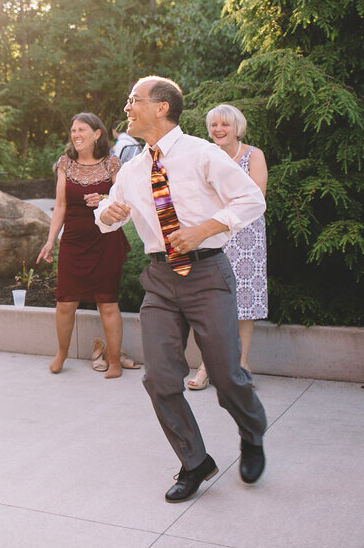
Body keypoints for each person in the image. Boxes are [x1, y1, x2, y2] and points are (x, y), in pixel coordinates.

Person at [96, 76, 267, 503]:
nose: (127, 108)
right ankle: (195, 461)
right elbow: (107, 214)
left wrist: (204, 229)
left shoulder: (201, 153)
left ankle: (251, 433)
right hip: (159, 280)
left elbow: (251, 200)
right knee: (160, 379)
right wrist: (107, 210)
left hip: (208, 273)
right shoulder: (134, 167)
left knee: (227, 377)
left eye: (133, 100)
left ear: (161, 107)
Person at [36, 113, 136, 378]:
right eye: (73, 130)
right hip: (73, 241)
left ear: (97, 134)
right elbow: (60, 205)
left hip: (105, 240)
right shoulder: (65, 163)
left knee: (108, 303)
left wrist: (104, 197)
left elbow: (126, 201)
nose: (76, 135)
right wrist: (50, 240)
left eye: (82, 130)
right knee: (65, 303)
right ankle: (61, 354)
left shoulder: (113, 163)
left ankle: (114, 361)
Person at [186, 104, 269, 391]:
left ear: (237, 128)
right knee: (211, 302)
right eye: (214, 125)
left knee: (244, 303)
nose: (218, 130)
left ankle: (242, 365)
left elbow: (256, 197)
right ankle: (206, 366)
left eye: (225, 125)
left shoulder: (253, 155)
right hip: (211, 235)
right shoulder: (204, 155)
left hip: (246, 237)